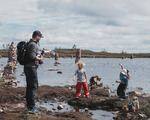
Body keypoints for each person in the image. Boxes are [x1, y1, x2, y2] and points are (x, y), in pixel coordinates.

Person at [24, 30, 52, 114]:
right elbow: (33, 57)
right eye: (40, 37)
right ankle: (31, 108)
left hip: (28, 68)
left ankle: (29, 107)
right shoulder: (33, 45)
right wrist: (40, 59)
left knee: (30, 87)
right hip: (31, 69)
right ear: (37, 36)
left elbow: (38, 52)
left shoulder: (30, 43)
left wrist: (47, 51)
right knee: (33, 87)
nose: (40, 38)